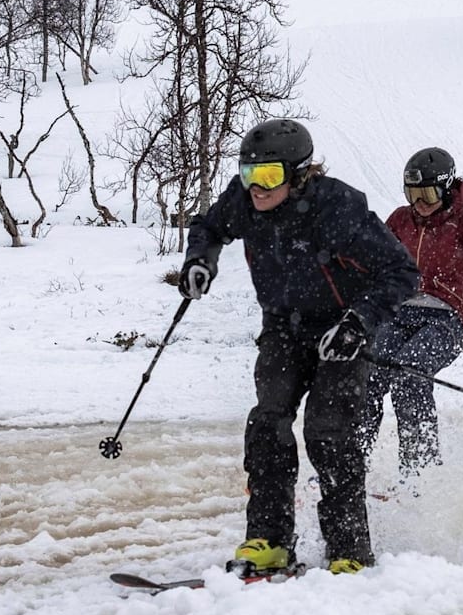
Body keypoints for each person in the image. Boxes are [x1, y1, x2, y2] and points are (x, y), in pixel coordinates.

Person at [180, 119, 419, 575]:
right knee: (268, 425)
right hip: (283, 329)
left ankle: (349, 548)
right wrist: (200, 261)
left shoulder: (338, 208)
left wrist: (358, 323)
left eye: (268, 176)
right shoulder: (244, 202)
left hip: (341, 335)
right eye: (249, 175)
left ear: (299, 172)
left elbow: (401, 272)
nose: (256, 188)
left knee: (327, 434)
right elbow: (208, 227)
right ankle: (270, 539)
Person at [367, 147, 463, 487]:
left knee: (409, 375)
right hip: (399, 313)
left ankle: (421, 475)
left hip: (446, 319)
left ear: (446, 188)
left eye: (427, 194)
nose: (420, 203)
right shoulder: (401, 219)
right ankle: (349, 464)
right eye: (412, 194)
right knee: (368, 376)